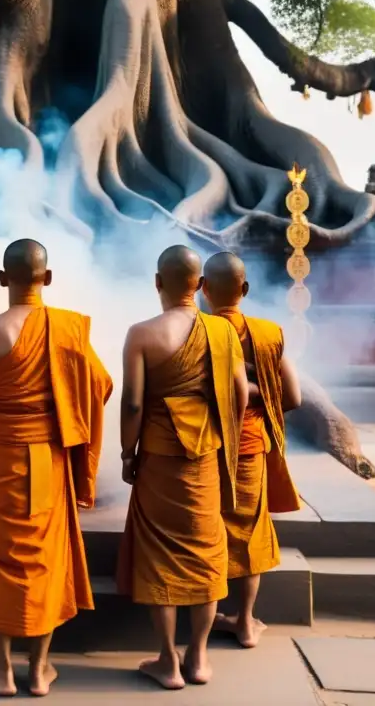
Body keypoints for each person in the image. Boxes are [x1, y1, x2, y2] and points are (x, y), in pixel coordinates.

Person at [0, 239, 112, 698]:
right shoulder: (68, 329)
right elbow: (101, 385)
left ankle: (0, 669)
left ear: (3, 278)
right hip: (48, 457)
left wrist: (8, 408)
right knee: (46, 558)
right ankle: (39, 669)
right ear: (47, 279)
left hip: (2, 459)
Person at [116, 245, 248, 690]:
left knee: (160, 557)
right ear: (201, 286)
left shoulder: (142, 333)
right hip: (205, 457)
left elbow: (133, 401)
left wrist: (127, 452)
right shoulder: (223, 331)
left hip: (158, 457)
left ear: (158, 282)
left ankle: (167, 661)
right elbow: (240, 394)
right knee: (206, 553)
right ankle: (200, 657)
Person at [201, 251, 303, 649]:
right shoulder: (267, 332)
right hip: (249, 448)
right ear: (244, 289)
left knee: (206, 531)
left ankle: (200, 627)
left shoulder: (195, 331)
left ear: (202, 288)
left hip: (202, 446)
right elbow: (291, 397)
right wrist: (257, 391)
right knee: (248, 533)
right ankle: (245, 622)